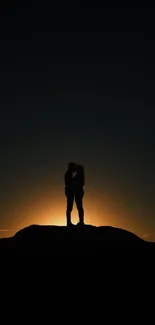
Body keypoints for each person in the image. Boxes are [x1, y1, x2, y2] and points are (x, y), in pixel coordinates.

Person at [64, 162, 85, 226]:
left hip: (75, 193)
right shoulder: (69, 175)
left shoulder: (75, 176)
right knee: (71, 208)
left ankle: (80, 221)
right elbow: (69, 184)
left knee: (78, 207)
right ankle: (70, 222)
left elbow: (82, 183)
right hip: (72, 193)